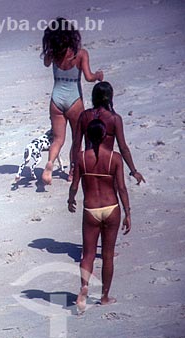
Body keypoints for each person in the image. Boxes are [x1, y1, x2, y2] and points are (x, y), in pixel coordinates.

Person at [68, 119, 131, 313]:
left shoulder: (81, 158)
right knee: (108, 255)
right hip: (111, 207)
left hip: (91, 209)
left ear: (87, 136)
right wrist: (128, 213)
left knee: (87, 253)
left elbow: (75, 185)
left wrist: (70, 200)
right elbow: (121, 187)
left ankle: (84, 286)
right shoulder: (115, 158)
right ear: (105, 136)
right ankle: (104, 296)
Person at [41, 17, 104, 184]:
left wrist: (51, 50)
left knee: (58, 139)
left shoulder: (52, 54)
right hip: (74, 99)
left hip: (56, 99)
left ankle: (50, 163)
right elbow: (89, 77)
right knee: (77, 139)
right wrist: (98, 75)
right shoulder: (80, 54)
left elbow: (47, 64)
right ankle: (72, 172)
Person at [72, 81, 146, 184]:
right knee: (109, 194)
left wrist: (74, 164)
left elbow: (76, 144)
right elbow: (123, 148)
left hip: (88, 162)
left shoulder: (84, 116)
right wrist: (133, 171)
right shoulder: (115, 118)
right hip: (107, 162)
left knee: (90, 195)